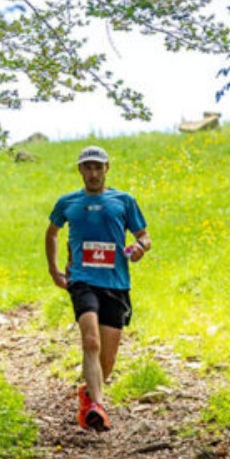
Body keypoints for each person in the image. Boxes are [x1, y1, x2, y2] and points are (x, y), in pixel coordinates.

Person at [46, 146, 151, 432]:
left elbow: (144, 236)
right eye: (87, 167)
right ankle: (98, 407)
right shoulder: (68, 202)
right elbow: (52, 233)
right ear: (80, 170)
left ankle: (89, 395)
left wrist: (140, 247)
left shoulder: (124, 201)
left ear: (107, 168)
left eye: (97, 167)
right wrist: (54, 268)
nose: (92, 173)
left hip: (116, 283)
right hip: (82, 280)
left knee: (108, 358)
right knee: (90, 341)